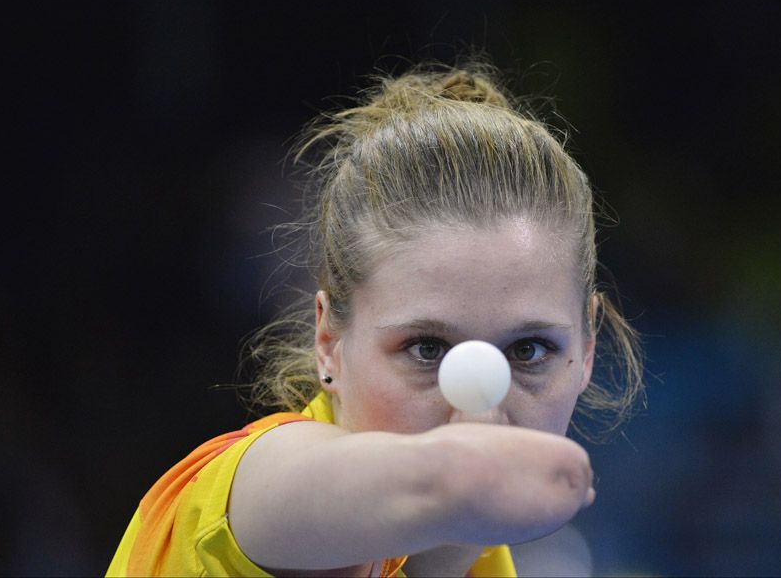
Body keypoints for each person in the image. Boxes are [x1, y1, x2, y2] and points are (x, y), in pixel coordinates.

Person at [107, 59, 644, 577]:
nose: (481, 412)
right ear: (328, 340)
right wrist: (457, 478)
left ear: (587, 351)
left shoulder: (489, 566)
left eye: (528, 350)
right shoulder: (248, 499)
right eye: (427, 348)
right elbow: (374, 487)